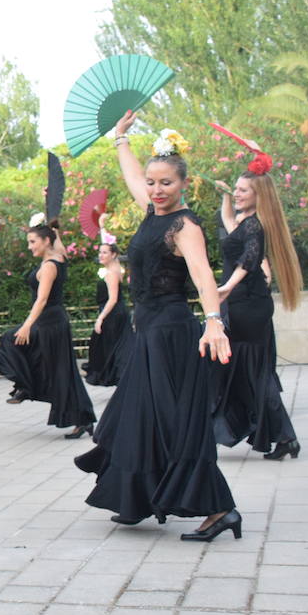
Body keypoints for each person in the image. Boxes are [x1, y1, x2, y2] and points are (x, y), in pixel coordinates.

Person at [75, 117, 236, 540]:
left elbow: (202, 276)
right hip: (146, 332)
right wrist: (121, 137)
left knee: (171, 419)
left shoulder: (184, 226)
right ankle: (135, 498)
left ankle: (220, 510)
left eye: (165, 183)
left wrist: (214, 322)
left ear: (182, 184)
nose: (156, 190)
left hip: (171, 333)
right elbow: (131, 174)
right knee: (138, 417)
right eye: (151, 182)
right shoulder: (151, 211)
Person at [210, 162, 304, 460]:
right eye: (236, 188)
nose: (237, 194)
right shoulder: (244, 220)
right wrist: (225, 195)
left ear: (257, 194)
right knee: (250, 372)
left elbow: (250, 259)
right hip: (243, 303)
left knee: (255, 373)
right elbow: (227, 219)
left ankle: (284, 435)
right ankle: (282, 435)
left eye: (242, 190)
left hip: (247, 305)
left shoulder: (255, 225)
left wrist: (227, 287)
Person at [0, 225, 96, 438]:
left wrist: (27, 325)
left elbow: (42, 299)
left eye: (32, 241)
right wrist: (52, 218)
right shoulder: (60, 256)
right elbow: (56, 236)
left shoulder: (49, 265)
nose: (29, 246)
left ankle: (25, 386)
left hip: (49, 323)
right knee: (60, 370)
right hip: (52, 321)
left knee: (12, 340)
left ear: (46, 241)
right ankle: (80, 417)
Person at [84, 242, 133, 387]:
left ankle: (121, 379)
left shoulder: (112, 273)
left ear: (114, 255)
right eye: (100, 252)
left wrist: (100, 318)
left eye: (105, 252)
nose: (101, 255)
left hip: (112, 314)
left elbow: (112, 299)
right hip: (116, 312)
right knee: (115, 346)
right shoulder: (115, 269)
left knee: (112, 347)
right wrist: (102, 226)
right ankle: (121, 379)